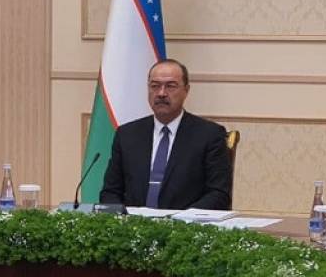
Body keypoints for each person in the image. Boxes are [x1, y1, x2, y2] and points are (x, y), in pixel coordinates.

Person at [99, 59, 232, 210]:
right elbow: (110, 192)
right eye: (155, 86)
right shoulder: (127, 135)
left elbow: (218, 193)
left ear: (186, 90)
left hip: (186, 222)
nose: (161, 93)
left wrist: (182, 219)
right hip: (133, 222)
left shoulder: (209, 135)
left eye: (170, 86)